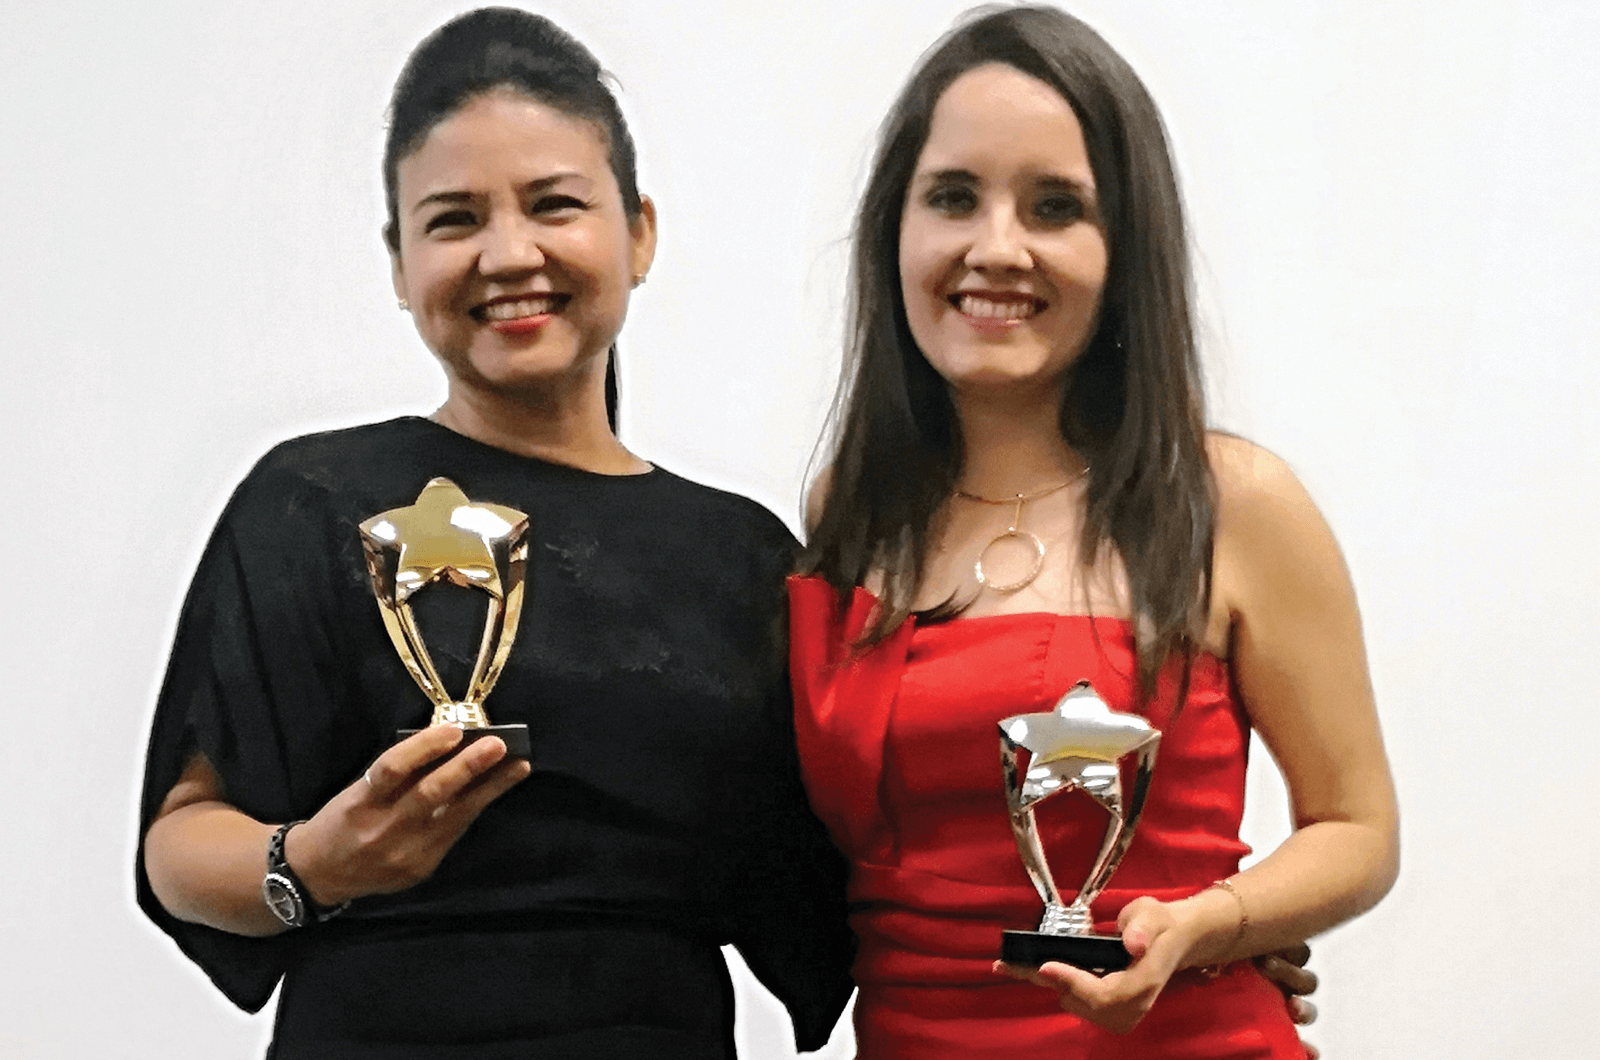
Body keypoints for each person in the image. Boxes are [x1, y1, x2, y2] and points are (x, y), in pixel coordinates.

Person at [136, 9, 853, 1058]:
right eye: (453, 219)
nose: (508, 252)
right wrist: (315, 864)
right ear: (398, 262)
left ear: (639, 231)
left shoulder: (747, 556)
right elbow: (179, 843)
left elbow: (843, 870)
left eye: (554, 204)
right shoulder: (310, 500)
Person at [791, 6, 1398, 1058]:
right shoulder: (852, 507)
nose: (996, 247)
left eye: (1055, 206)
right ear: (896, 225)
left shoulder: (1230, 501)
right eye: (952, 198)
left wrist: (1214, 924)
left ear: (1125, 246)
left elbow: (1358, 831)